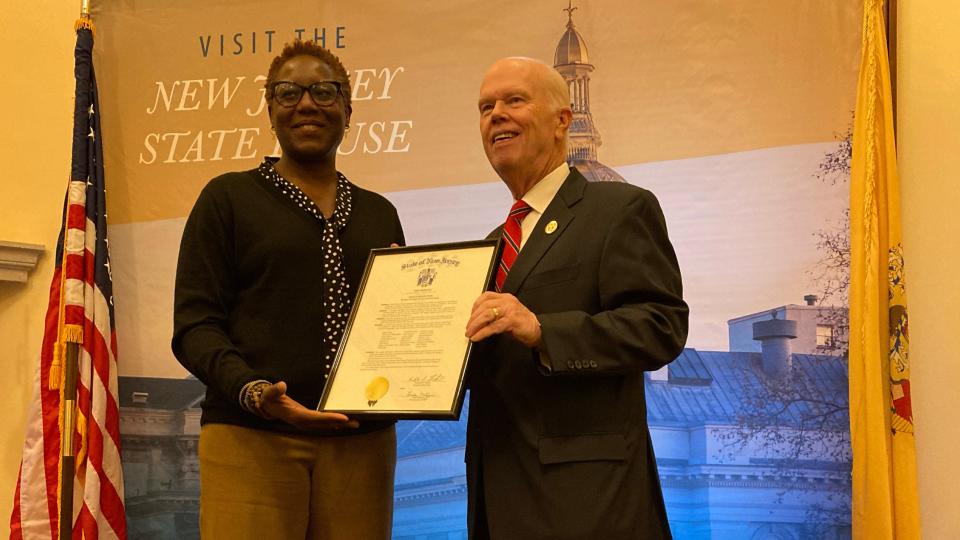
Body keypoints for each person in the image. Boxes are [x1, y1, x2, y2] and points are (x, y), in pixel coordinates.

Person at [172, 40, 404, 539]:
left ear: (347, 108)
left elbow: (398, 325)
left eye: (324, 91)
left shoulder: (379, 213)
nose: (306, 103)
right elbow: (195, 327)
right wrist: (255, 392)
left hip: (362, 445)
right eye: (287, 92)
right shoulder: (227, 199)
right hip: (250, 436)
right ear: (269, 109)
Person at [463, 57, 689, 539]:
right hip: (498, 496)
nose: (496, 114)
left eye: (514, 100)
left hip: (588, 500)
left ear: (562, 119)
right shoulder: (488, 247)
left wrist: (544, 330)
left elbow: (659, 326)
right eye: (486, 107)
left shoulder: (619, 208)